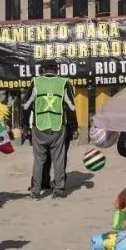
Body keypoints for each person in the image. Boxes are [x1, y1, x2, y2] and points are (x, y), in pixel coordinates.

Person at [27, 60, 77, 199]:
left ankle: (36, 191)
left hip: (39, 128)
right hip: (58, 127)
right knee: (59, 160)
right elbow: (71, 107)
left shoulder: (36, 82)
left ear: (42, 70)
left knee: (38, 160)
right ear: (57, 70)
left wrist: (25, 126)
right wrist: (74, 127)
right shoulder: (64, 83)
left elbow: (26, 105)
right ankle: (58, 190)